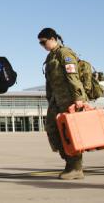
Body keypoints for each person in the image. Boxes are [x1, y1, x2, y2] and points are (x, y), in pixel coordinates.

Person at [38, 28, 87, 180]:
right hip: (56, 100)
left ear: (53, 38)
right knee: (52, 130)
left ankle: (76, 167)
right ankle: (68, 162)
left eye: (43, 42)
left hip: (69, 100)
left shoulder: (64, 54)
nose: (42, 45)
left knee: (70, 133)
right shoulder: (50, 57)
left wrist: (78, 98)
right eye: (40, 43)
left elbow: (73, 76)